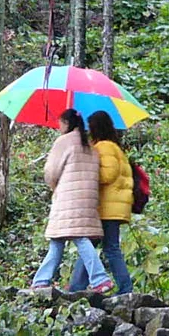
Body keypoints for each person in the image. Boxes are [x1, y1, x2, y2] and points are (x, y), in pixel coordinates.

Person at [30, 109, 115, 296]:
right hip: (88, 200)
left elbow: (51, 172)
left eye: (60, 123)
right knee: (64, 240)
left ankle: (100, 279)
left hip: (68, 200)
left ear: (67, 123)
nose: (58, 127)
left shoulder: (64, 142)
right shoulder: (91, 146)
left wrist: (54, 187)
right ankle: (41, 280)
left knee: (76, 239)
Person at [68, 111, 134, 296]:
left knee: (106, 247)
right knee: (92, 245)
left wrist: (87, 172)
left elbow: (107, 175)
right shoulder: (115, 147)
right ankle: (77, 287)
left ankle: (125, 288)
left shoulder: (104, 147)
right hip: (112, 207)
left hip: (106, 208)